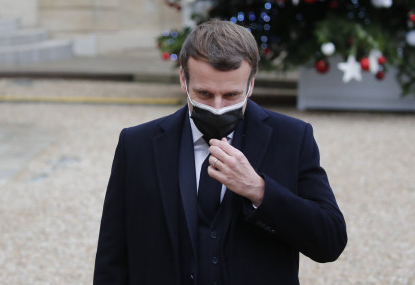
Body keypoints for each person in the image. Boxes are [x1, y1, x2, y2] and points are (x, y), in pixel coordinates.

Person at [93, 19, 347, 285]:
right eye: (204, 93)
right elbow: (113, 254)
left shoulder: (292, 138)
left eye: (231, 95)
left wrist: (259, 190)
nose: (216, 107)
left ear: (251, 84)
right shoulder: (137, 144)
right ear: (183, 79)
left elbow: (330, 241)